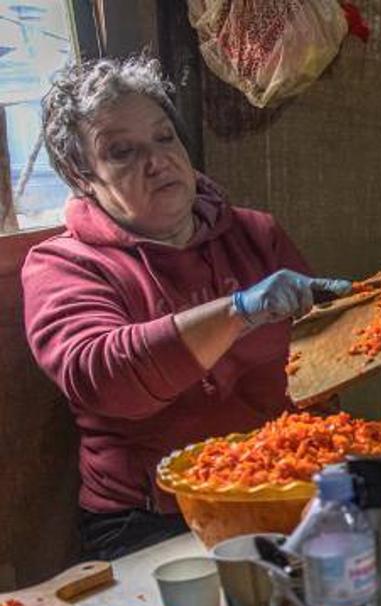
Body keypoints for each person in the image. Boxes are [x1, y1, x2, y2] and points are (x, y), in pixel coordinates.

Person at [23, 56, 350, 560]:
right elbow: (104, 379)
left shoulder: (256, 234)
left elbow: (323, 366)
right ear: (80, 175)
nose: (158, 162)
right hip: (151, 515)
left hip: (283, 488)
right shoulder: (64, 264)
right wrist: (237, 312)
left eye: (164, 137)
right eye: (122, 152)